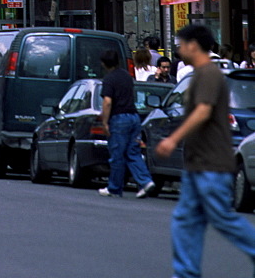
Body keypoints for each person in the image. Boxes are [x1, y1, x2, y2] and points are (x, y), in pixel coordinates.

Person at [156, 23, 255, 278]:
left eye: (181, 44)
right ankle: (186, 273)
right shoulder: (199, 74)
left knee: (222, 219)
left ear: (193, 45)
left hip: (211, 163)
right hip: (197, 163)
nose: (178, 49)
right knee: (185, 221)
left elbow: (203, 111)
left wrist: (172, 139)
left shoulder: (209, 74)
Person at [98, 48, 156, 199]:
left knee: (117, 155)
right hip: (134, 116)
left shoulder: (109, 79)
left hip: (119, 118)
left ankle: (114, 187)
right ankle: (145, 181)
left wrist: (104, 122)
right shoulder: (126, 76)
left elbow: (107, 101)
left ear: (104, 64)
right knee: (133, 152)